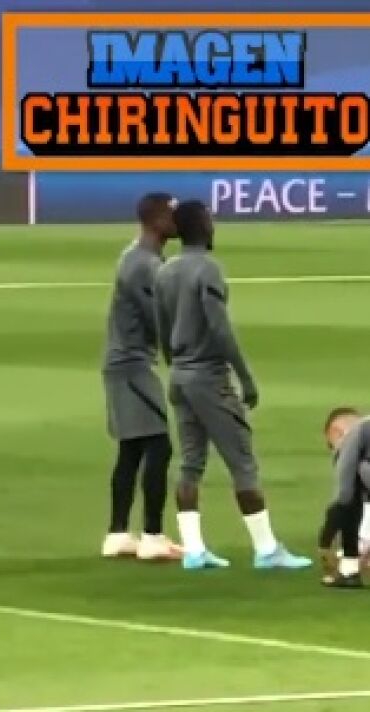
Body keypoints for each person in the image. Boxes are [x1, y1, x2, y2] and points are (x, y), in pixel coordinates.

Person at [154, 200, 311, 571]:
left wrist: (176, 365)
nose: (214, 226)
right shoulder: (208, 270)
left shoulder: (165, 272)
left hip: (180, 377)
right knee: (242, 461)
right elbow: (219, 328)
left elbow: (161, 326)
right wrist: (245, 377)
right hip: (209, 376)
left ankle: (194, 550)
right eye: (209, 220)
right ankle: (266, 549)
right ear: (201, 226)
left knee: (190, 462)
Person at [99, 193, 182, 562]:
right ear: (156, 220)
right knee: (159, 446)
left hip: (124, 363)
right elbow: (160, 321)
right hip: (131, 365)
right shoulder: (144, 265)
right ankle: (152, 536)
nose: (177, 223)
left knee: (132, 449)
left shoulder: (137, 257)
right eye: (172, 216)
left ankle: (118, 534)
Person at [318, 406, 370, 588]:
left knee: (352, 492)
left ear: (335, 432)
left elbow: (344, 496)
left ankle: (349, 570)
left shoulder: (354, 436)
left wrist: (325, 542)